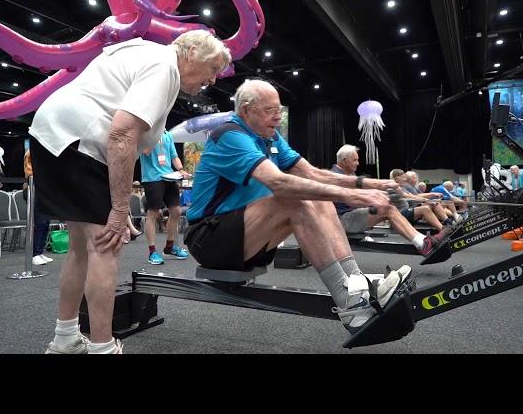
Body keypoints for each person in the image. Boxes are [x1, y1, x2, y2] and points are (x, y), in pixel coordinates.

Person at [29, 30, 231, 354]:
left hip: (52, 135)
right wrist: (120, 209)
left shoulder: (145, 54)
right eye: (213, 69)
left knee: (81, 247)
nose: (212, 80)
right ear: (192, 51)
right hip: (81, 142)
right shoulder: (164, 65)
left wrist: (117, 201)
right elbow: (122, 133)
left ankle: (65, 338)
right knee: (105, 248)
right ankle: (102, 348)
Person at [185, 79, 412, 336]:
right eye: (270, 110)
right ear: (246, 110)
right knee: (292, 198)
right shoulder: (229, 135)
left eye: (279, 110)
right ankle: (348, 302)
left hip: (247, 238)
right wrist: (353, 196)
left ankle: (357, 283)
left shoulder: (270, 136)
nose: (277, 116)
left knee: (317, 196)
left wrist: (367, 183)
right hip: (208, 240)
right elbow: (278, 182)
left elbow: (314, 174)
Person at [331, 145, 453, 256]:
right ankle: (423, 243)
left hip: (350, 215)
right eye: (355, 160)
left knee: (389, 208)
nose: (358, 163)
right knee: (388, 209)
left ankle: (424, 241)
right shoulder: (336, 176)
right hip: (343, 220)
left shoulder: (349, 175)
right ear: (344, 161)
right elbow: (355, 196)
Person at [139, 129, 190, 264]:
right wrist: (155, 135)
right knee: (154, 213)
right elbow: (145, 151)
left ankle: (170, 246)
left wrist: (180, 169)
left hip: (169, 176)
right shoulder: (145, 133)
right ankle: (152, 252)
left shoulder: (167, 135)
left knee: (176, 211)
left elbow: (174, 156)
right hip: (152, 178)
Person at [23, 149, 53, 266]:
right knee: (39, 222)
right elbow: (29, 170)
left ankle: (40, 252)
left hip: (45, 188)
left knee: (46, 223)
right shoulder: (31, 152)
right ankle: (35, 253)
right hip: (34, 186)